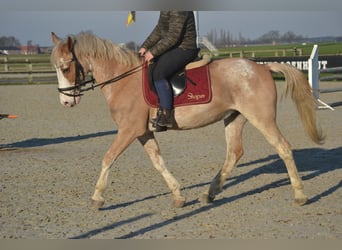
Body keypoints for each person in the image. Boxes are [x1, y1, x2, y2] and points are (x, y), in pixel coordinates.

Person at [139, 11, 199, 128]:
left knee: (159, 73)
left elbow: (173, 37)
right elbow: (160, 29)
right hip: (175, 47)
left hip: (185, 48)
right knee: (151, 68)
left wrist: (153, 52)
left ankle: (167, 115)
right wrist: (145, 46)